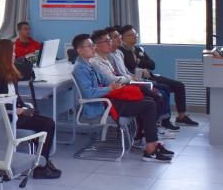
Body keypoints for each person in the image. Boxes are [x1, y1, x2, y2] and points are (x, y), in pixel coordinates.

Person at [71, 33, 172, 163]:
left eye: (92, 45)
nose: (93, 48)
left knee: (149, 101)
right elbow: (88, 94)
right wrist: (109, 88)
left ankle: (153, 144)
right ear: (80, 50)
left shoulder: (90, 64)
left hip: (107, 101)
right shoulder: (80, 69)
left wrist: (116, 84)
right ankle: (150, 150)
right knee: (149, 105)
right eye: (90, 46)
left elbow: (106, 80)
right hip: (99, 107)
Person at [0, 39, 60, 178]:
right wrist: (18, 110)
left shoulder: (10, 72)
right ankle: (41, 166)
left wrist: (23, 108)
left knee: (44, 120)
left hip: (16, 113)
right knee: (48, 124)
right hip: (5, 117)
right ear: (4, 54)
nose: (14, 54)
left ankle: (41, 161)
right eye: (12, 52)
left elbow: (16, 97)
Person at [119, 25, 197, 127]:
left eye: (135, 34)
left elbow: (152, 65)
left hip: (150, 76)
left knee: (179, 85)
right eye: (131, 35)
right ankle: (164, 120)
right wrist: (140, 69)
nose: (134, 36)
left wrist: (138, 61)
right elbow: (129, 67)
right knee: (165, 89)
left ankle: (181, 117)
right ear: (123, 37)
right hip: (137, 79)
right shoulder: (121, 51)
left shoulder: (138, 49)